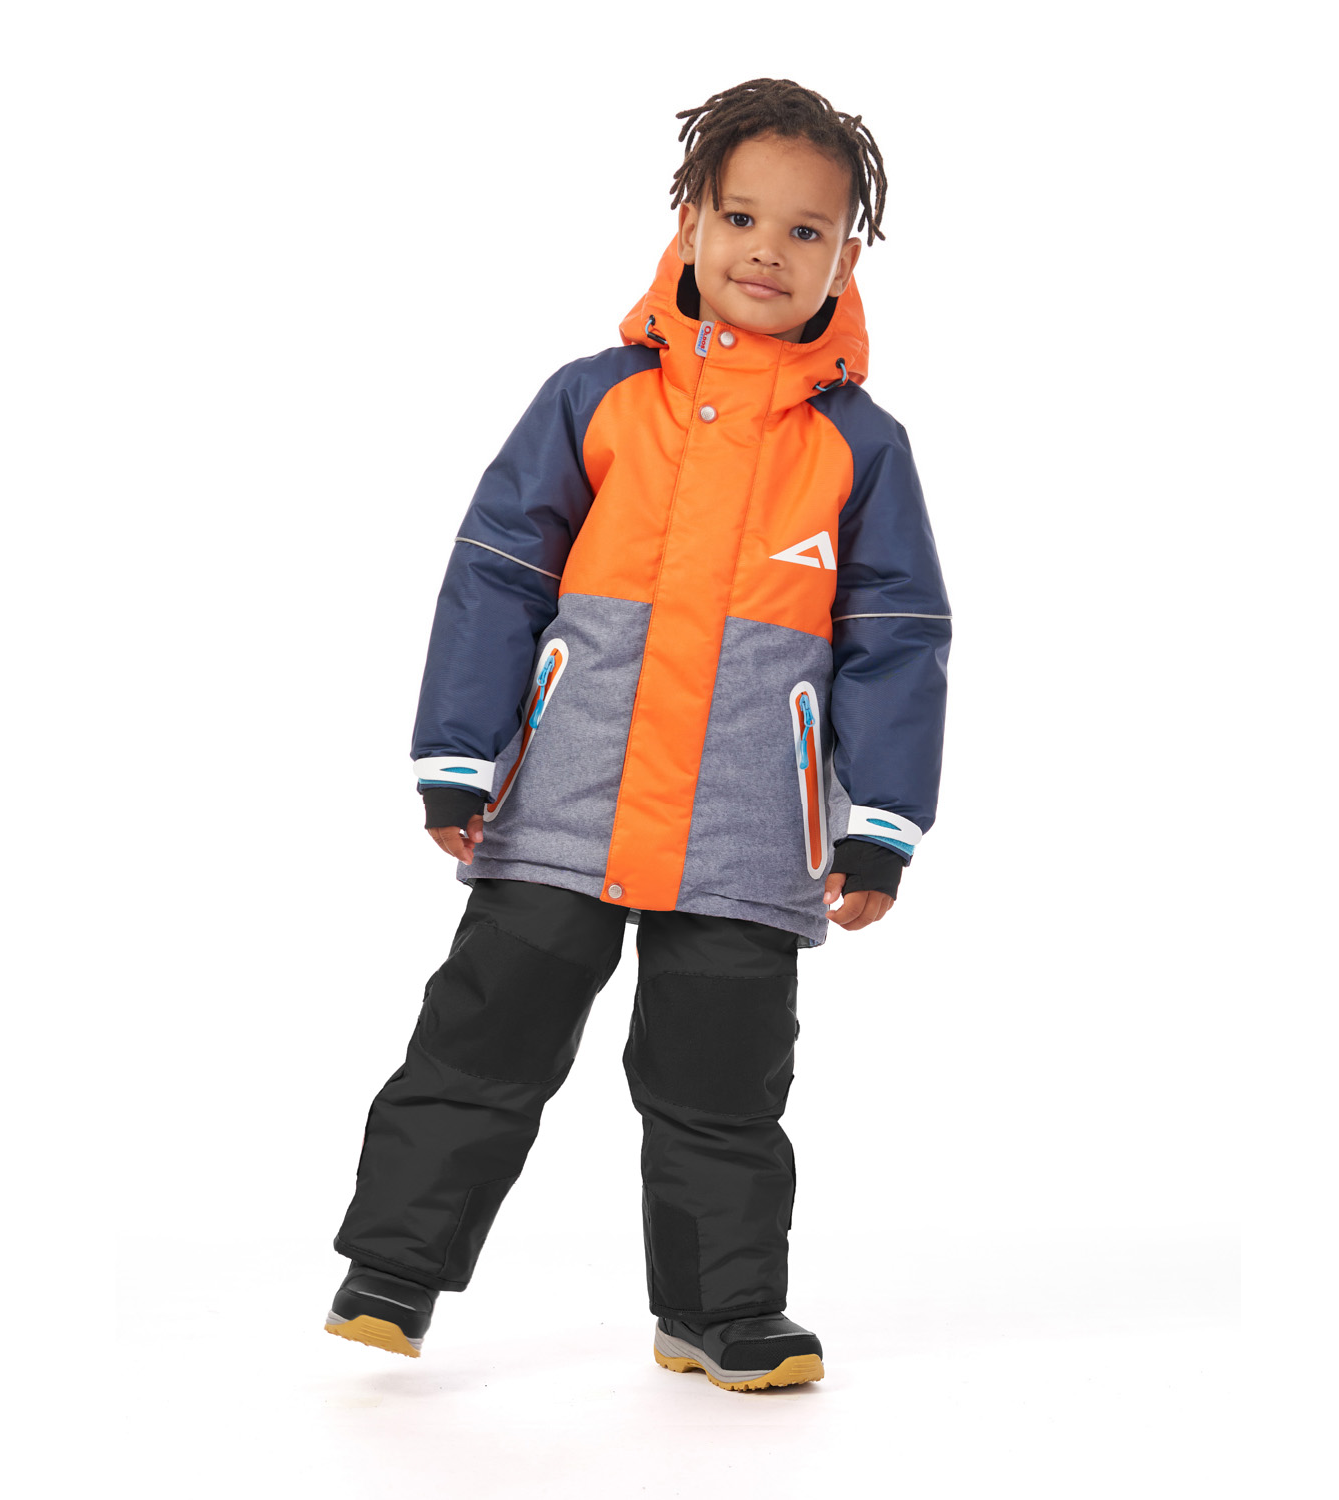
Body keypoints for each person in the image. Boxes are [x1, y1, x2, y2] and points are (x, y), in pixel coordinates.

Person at [324, 77, 952, 1392]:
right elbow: (498, 571)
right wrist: (459, 754)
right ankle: (391, 1270)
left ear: (846, 258)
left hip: (745, 831)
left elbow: (897, 636)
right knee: (483, 1040)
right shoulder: (595, 399)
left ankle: (722, 1311)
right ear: (689, 221)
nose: (767, 252)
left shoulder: (861, 448)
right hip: (565, 803)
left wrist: (881, 824)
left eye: (807, 231)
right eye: (742, 217)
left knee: (722, 1083)